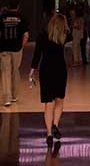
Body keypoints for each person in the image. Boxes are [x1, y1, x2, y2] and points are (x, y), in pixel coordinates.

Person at [30, 13, 69, 148]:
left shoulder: (42, 36)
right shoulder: (64, 35)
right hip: (60, 70)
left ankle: (49, 134)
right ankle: (56, 124)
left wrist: (32, 71)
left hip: (46, 70)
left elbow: (37, 55)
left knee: (48, 103)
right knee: (59, 100)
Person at [0, 0, 29, 107]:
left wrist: (3, 40)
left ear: (8, 7)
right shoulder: (22, 17)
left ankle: (7, 99)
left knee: (5, 72)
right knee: (15, 71)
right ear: (18, 7)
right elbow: (26, 35)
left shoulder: (2, 17)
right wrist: (21, 47)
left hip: (4, 48)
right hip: (17, 48)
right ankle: (14, 96)